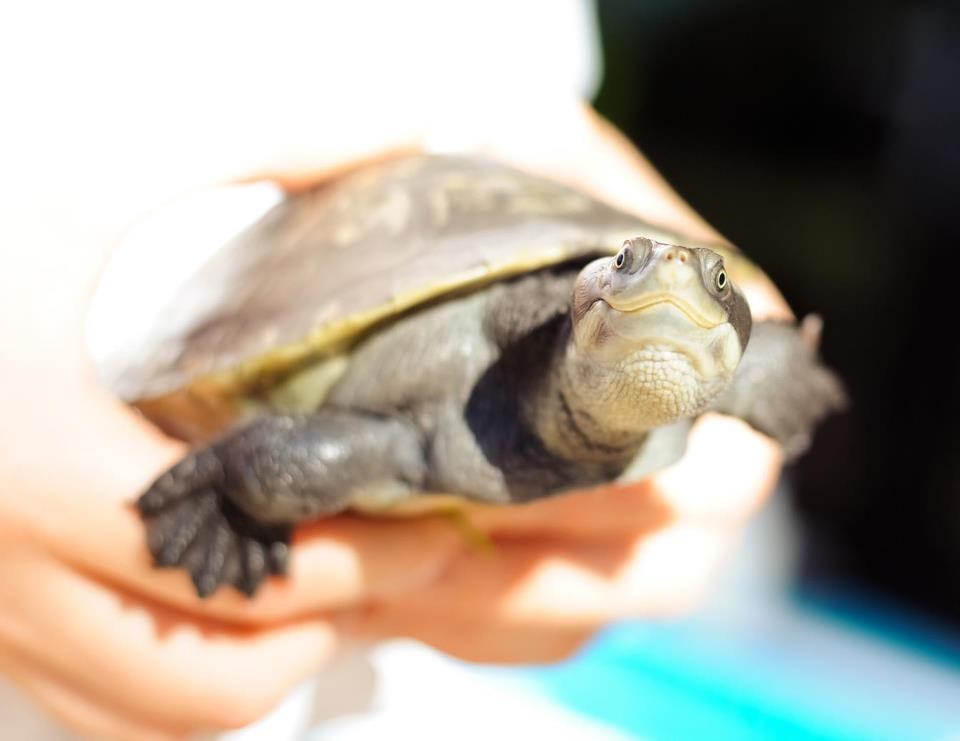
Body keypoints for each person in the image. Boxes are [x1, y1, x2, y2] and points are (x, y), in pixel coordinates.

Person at [0, 2, 790, 738]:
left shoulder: (729, 356)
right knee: (283, 469)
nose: (672, 280)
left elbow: (528, 111)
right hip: (178, 336)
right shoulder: (442, 396)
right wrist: (229, 500)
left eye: (709, 283)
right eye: (632, 265)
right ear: (588, 300)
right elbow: (284, 456)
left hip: (367, 690)